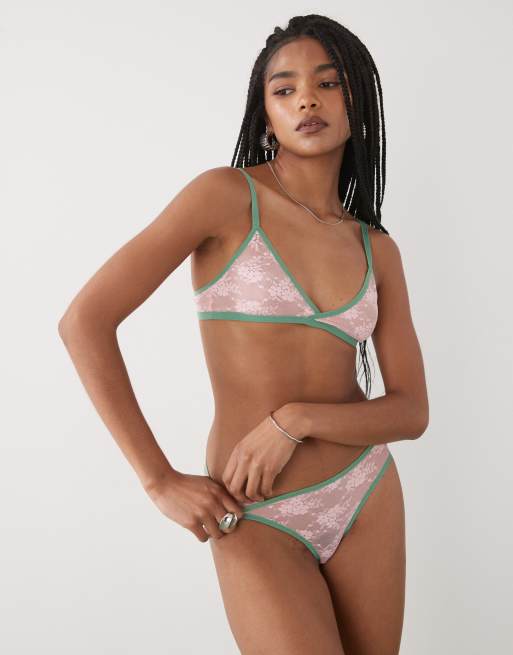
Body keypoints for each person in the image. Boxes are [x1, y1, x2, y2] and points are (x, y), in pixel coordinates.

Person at [58, 14, 429, 655]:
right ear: (265, 116)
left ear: (359, 106)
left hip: (365, 491)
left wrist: (294, 421)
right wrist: (158, 479)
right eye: (285, 89)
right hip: (250, 508)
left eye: (328, 83)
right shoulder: (225, 198)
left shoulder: (377, 249)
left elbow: (411, 411)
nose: (306, 100)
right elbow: (85, 322)